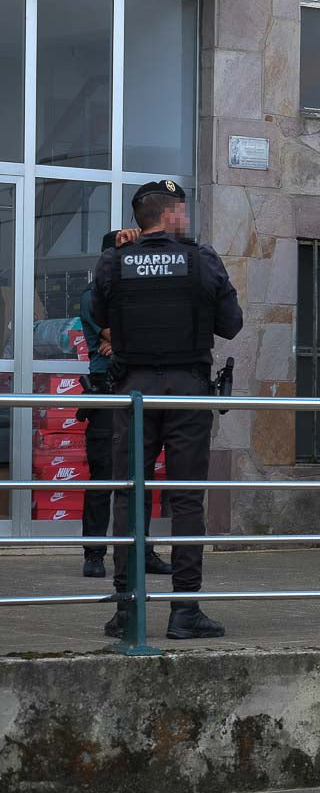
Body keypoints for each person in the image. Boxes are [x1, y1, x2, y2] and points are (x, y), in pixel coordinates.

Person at [94, 180, 244, 640]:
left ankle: (126, 610)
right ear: (172, 214)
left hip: (134, 389)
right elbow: (231, 325)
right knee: (185, 499)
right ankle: (185, 610)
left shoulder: (114, 260)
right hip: (186, 389)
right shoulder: (201, 259)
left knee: (130, 494)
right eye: (183, 210)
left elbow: (100, 315)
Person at [79, 228, 172, 580]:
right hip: (107, 391)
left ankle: (142, 549)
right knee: (104, 475)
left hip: (134, 388)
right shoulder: (94, 295)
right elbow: (131, 335)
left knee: (140, 475)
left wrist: (127, 340)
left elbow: (146, 333)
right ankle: (94, 553)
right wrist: (125, 340)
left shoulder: (131, 294)